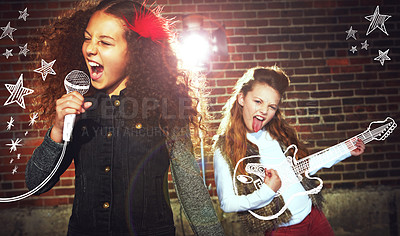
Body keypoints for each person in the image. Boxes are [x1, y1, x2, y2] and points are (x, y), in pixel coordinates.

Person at [25, 1, 225, 235]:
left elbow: (192, 190)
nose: (90, 49)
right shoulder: (79, 106)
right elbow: (35, 183)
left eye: (105, 42)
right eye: (87, 38)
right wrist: (58, 130)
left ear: (136, 52)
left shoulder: (166, 108)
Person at [213, 66, 365, 235]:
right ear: (241, 98)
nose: (264, 111)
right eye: (258, 101)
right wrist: (267, 192)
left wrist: (346, 151)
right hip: (284, 230)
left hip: (313, 216)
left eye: (272, 106)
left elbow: (302, 169)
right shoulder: (225, 148)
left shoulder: (278, 132)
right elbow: (227, 203)